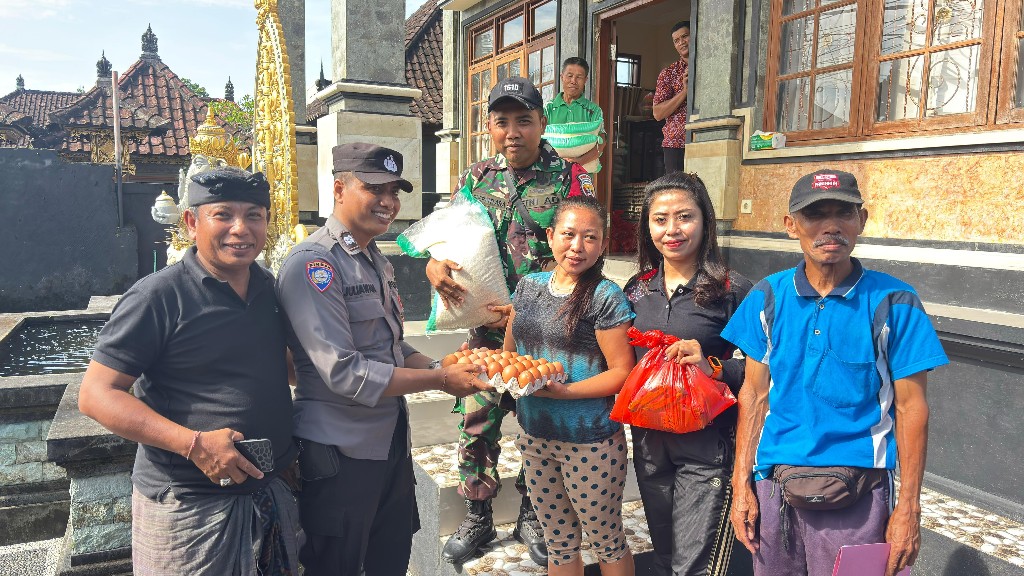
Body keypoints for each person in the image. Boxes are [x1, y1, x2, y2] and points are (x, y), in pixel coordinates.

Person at [275, 143, 491, 576]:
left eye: (394, 190)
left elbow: (393, 350)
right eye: (375, 189)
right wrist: (440, 381)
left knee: (390, 558)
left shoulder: (375, 260)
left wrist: (439, 365)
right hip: (340, 453)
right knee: (334, 566)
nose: (389, 202)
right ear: (339, 189)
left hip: (388, 443)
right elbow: (344, 372)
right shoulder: (315, 265)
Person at [722, 169, 949, 576]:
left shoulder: (894, 301)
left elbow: (912, 408)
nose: (830, 227)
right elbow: (753, 396)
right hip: (775, 484)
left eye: (843, 213)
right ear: (791, 225)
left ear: (861, 219)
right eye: (814, 215)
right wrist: (742, 486)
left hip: (859, 492)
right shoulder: (767, 297)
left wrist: (909, 508)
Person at [78, 167, 301, 576]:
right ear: (190, 221)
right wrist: (193, 444)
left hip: (269, 491)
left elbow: (279, 367)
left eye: (254, 215)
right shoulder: (159, 296)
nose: (241, 228)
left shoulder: (269, 289)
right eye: (223, 215)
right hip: (190, 504)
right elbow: (96, 394)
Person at [427, 76, 596, 565]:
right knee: (477, 422)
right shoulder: (474, 178)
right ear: (489, 126)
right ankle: (478, 514)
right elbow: (446, 238)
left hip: (545, 333)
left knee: (538, 426)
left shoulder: (569, 179)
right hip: (484, 330)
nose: (513, 131)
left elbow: (582, 248)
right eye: (502, 121)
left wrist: (533, 304)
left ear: (543, 123)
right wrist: (433, 264)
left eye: (524, 120)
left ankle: (531, 513)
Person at [623, 172, 753, 576]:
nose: (672, 230)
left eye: (684, 217)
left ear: (705, 221)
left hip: (708, 446)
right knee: (664, 551)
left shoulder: (733, 290)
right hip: (649, 443)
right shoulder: (636, 290)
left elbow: (765, 372)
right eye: (660, 219)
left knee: (695, 562)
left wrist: (712, 365)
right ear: (647, 227)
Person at [506, 196, 636, 576]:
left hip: (590, 441)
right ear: (550, 236)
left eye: (590, 237)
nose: (577, 247)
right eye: (568, 234)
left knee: (605, 538)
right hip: (535, 434)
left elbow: (622, 372)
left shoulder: (605, 296)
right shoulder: (528, 287)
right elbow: (511, 353)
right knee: (558, 542)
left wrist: (565, 392)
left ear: (603, 245)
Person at [544, 57, 606, 171]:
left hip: (582, 177)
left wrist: (579, 162)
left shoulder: (594, 110)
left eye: (579, 77)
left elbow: (601, 143)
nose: (573, 81)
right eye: (570, 75)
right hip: (551, 177)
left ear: (586, 80)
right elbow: (537, 141)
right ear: (562, 77)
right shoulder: (547, 108)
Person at [653, 21, 691, 175]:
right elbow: (657, 113)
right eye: (676, 40)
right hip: (675, 143)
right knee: (677, 192)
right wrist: (684, 92)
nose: (681, 42)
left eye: (685, 36)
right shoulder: (668, 73)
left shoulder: (710, 66)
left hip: (706, 138)